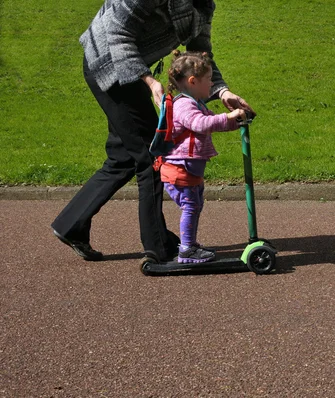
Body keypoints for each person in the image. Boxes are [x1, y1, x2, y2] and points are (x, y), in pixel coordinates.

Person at [51, 0, 253, 263]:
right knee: (153, 156)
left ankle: (71, 224)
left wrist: (222, 91)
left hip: (135, 67)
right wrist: (148, 81)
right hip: (107, 63)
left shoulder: (203, 4)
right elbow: (117, 33)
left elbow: (200, 55)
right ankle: (159, 248)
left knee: (123, 157)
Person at [161, 51, 248, 263]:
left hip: (190, 168)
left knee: (196, 205)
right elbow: (200, 124)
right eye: (209, 79)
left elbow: (213, 122)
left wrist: (235, 122)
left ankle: (189, 244)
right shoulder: (184, 105)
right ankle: (187, 250)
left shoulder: (197, 103)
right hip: (179, 169)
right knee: (191, 206)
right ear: (193, 81)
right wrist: (228, 116)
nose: (212, 84)